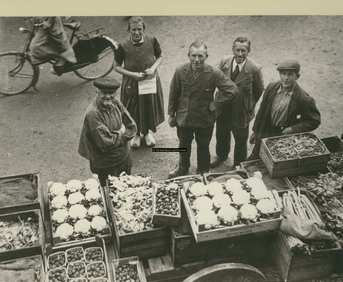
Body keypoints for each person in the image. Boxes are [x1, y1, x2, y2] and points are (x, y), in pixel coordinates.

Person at [167, 41, 238, 179]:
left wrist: (216, 104)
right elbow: (173, 92)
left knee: (203, 147)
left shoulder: (213, 73)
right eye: (193, 56)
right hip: (184, 118)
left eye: (200, 56)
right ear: (188, 55)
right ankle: (182, 168)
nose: (197, 60)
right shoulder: (180, 71)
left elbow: (232, 89)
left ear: (206, 56)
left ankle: (203, 171)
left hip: (204, 119)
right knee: (183, 146)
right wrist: (171, 114)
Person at [247, 59, 321, 160]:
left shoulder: (304, 99)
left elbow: (314, 120)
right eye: (283, 74)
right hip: (266, 130)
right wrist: (256, 131)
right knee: (254, 159)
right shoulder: (271, 87)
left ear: (297, 77)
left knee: (275, 162)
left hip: (283, 136)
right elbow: (262, 110)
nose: (286, 78)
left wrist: (293, 129)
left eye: (290, 74)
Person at [210, 37, 264, 169]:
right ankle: (221, 155)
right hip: (223, 107)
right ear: (232, 50)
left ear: (249, 51)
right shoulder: (225, 61)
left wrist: (249, 104)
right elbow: (216, 80)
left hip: (241, 110)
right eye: (237, 50)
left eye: (243, 50)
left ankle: (239, 164)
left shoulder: (254, 68)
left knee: (240, 138)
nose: (240, 54)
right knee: (221, 134)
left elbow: (259, 89)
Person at [113, 16, 165, 148]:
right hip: (132, 82)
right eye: (133, 30)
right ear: (129, 30)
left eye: (139, 29)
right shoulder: (123, 46)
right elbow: (116, 66)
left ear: (144, 29)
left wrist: (152, 69)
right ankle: (135, 134)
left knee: (148, 106)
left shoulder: (152, 41)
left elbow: (160, 56)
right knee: (133, 109)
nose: (137, 33)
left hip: (148, 81)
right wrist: (133, 75)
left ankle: (146, 133)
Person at [78, 78, 137, 186]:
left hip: (124, 157)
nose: (108, 96)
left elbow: (132, 127)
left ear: (115, 93)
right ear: (97, 92)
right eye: (104, 93)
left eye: (111, 93)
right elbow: (105, 143)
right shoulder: (93, 114)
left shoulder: (116, 103)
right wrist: (121, 131)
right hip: (106, 164)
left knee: (128, 188)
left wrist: (118, 139)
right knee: (110, 191)